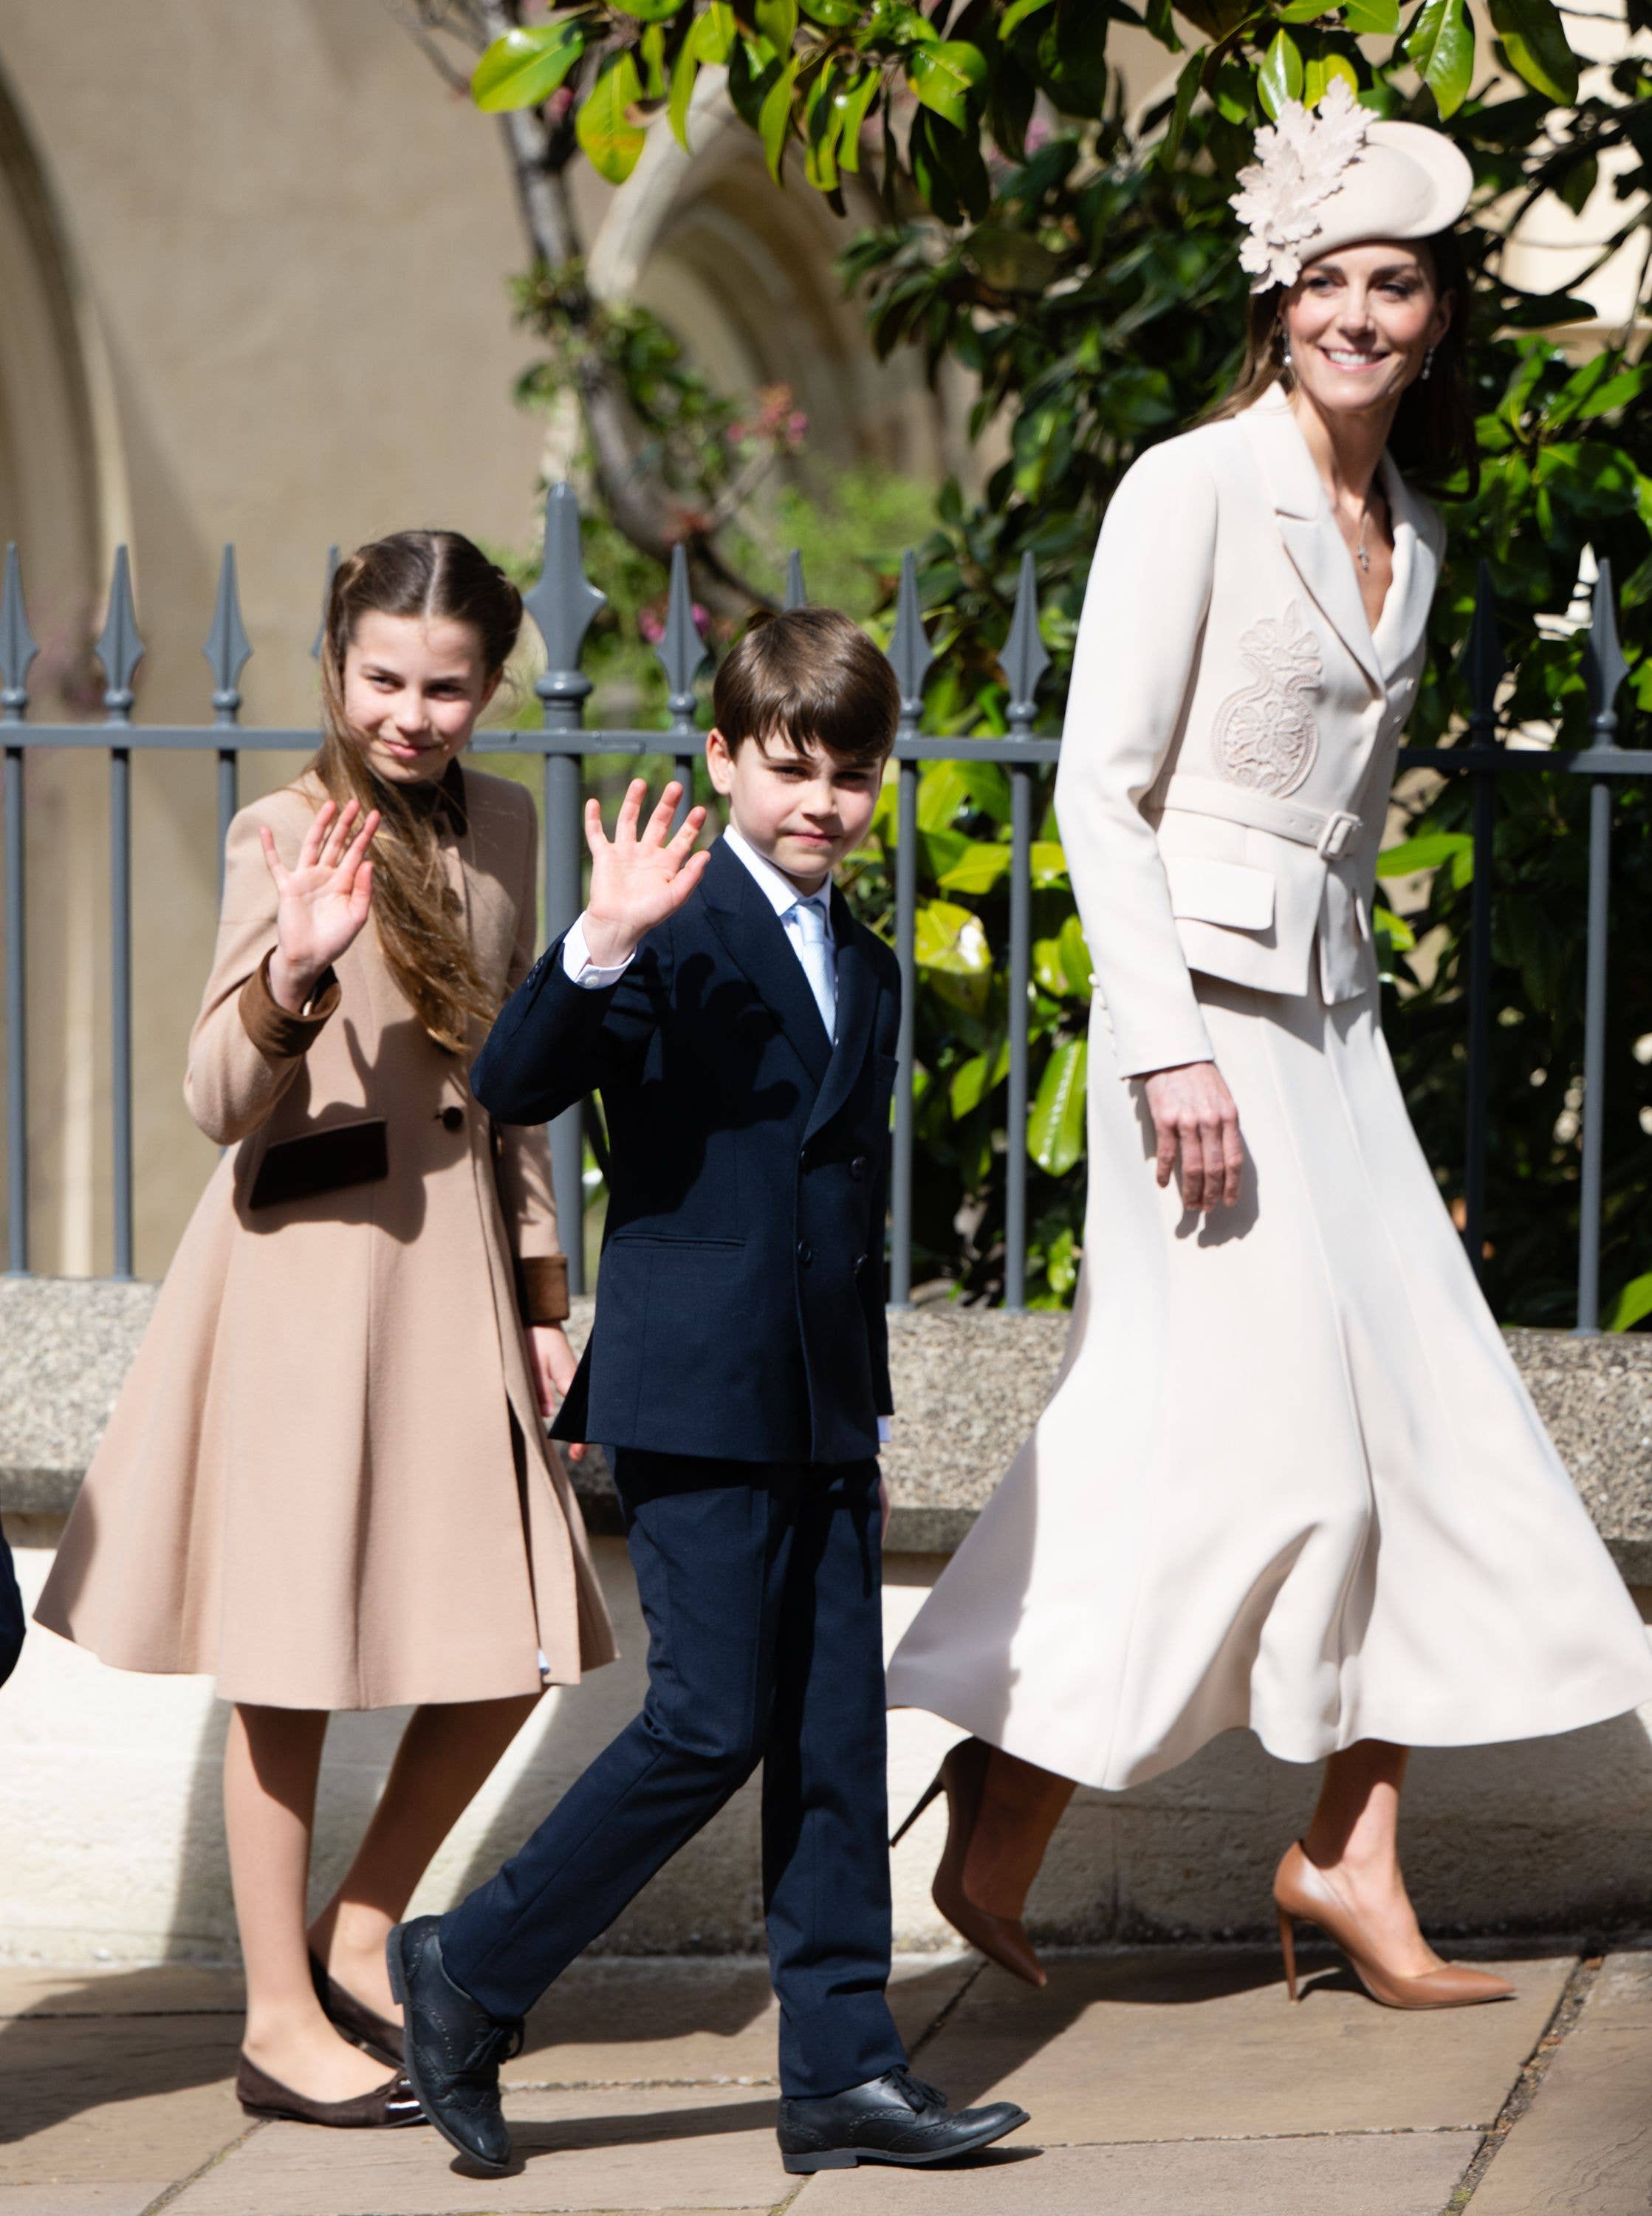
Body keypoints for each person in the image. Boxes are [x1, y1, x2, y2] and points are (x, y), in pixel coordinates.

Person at [885, 85, 1652, 2008]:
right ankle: (1006, 1793)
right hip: (1198, 1042)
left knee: (1428, 1441)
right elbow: (1095, 793)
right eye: (1329, 279)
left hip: (1324, 1031)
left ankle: (1344, 1850)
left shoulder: (1405, 522)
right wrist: (1160, 1056)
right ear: (1276, 295)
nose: (1361, 314)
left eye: (1394, 284)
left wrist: (1320, 1040)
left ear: (1433, 314)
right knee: (1252, 1459)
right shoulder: (1187, 486)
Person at [388, 609, 1029, 2176]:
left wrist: (864, 1417)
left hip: (818, 1403)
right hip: (690, 1393)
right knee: (705, 1722)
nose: (822, 803)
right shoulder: (665, 924)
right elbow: (516, 1083)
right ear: (726, 757)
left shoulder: (867, 967)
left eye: (854, 777)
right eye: (793, 769)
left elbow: (839, 1213)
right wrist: (597, 940)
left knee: (825, 1739)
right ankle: (467, 1971)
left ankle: (843, 2075)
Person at [35, 531, 614, 2126]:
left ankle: (360, 1930)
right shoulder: (281, 826)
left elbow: (515, 1082)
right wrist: (294, 968)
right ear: (334, 668)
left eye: (445, 685)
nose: (413, 713)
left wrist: (548, 1297)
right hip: (306, 1285)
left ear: (491, 686)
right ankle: (278, 2022)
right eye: (383, 679)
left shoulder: (502, 825)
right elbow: (218, 1098)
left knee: (521, 1639)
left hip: (457, 1293)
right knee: (287, 1666)